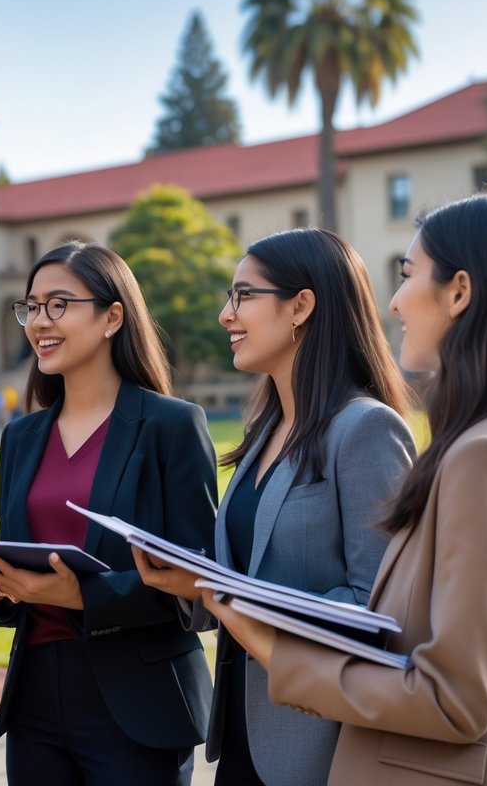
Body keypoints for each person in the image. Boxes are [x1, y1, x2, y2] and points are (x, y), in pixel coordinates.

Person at [199, 191, 487, 784]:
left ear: (460, 291)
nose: (395, 301)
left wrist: (271, 642)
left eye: (408, 276)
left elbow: (450, 693)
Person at [137, 227, 416, 785]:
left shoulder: (365, 429)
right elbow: (244, 575)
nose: (225, 314)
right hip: (242, 732)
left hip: (321, 743)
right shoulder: (264, 430)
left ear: (301, 307)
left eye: (243, 295)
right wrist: (190, 584)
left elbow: (380, 608)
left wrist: (223, 595)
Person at [0, 241, 217, 784]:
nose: (38, 322)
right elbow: (21, 574)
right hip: (35, 702)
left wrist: (80, 596)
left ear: (112, 316)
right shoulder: (22, 437)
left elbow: (201, 587)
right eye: (31, 307)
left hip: (138, 701)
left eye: (58, 304)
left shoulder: (171, 427)